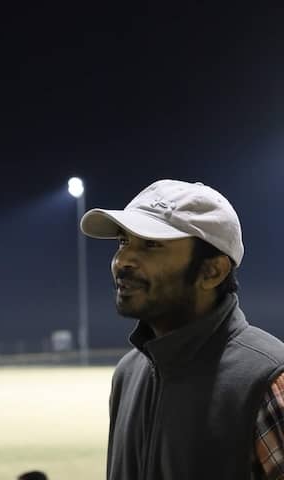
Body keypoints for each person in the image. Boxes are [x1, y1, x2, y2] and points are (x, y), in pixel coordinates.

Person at [80, 179, 284, 480]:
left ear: (211, 271)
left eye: (151, 244)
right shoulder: (128, 374)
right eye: (123, 241)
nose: (122, 261)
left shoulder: (268, 380)